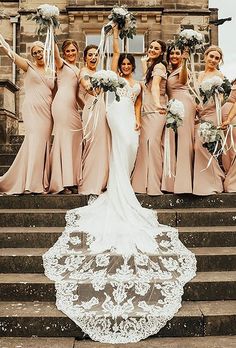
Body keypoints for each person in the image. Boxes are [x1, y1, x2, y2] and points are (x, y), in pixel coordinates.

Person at [43, 27, 196, 344]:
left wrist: (140, 119)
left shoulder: (140, 81)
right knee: (120, 147)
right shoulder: (112, 77)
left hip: (131, 117)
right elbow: (108, 61)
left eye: (128, 63)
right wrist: (107, 36)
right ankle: (116, 187)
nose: (125, 65)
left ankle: (124, 183)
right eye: (122, 63)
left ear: (133, 65)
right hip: (115, 115)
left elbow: (140, 103)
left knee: (130, 148)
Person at [0, 38, 54, 194]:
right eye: (34, 52)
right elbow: (12, 55)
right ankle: (31, 184)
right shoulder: (28, 66)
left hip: (47, 112)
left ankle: (38, 180)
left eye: (40, 51)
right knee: (34, 141)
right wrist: (3, 45)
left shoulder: (53, 71)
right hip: (32, 110)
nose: (38, 54)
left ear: (46, 51)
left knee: (42, 145)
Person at [132, 40, 168, 195]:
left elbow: (154, 86)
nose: (152, 49)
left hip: (156, 111)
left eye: (156, 48)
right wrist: (143, 64)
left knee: (153, 145)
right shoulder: (152, 67)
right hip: (146, 112)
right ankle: (142, 184)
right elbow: (147, 86)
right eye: (151, 47)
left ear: (161, 52)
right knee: (144, 146)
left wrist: (157, 104)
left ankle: (154, 184)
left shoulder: (160, 66)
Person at [49, 39, 83, 194]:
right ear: (63, 53)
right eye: (67, 51)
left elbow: (77, 95)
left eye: (73, 50)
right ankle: (61, 183)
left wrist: (89, 108)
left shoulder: (78, 69)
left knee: (75, 140)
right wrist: (51, 26)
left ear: (77, 51)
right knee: (63, 140)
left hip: (73, 108)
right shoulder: (61, 64)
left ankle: (72, 180)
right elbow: (55, 54)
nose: (70, 53)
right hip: (61, 105)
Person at [162, 45, 196, 193]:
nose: (174, 56)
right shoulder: (168, 71)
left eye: (177, 53)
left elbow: (183, 81)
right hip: (172, 105)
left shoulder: (184, 69)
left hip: (184, 104)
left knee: (183, 140)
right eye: (172, 53)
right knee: (172, 141)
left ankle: (184, 184)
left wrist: (185, 62)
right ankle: (172, 182)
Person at [193, 45, 225, 195]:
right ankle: (203, 183)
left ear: (219, 61)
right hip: (199, 116)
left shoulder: (219, 76)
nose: (213, 60)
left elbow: (220, 98)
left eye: (216, 58)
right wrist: (197, 106)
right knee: (198, 148)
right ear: (205, 57)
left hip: (211, 115)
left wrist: (205, 107)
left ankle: (216, 181)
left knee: (204, 147)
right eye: (211, 56)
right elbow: (197, 95)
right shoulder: (200, 75)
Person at [78, 44, 110, 195]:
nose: (93, 57)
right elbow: (85, 86)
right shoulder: (84, 72)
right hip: (91, 110)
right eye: (90, 55)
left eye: (95, 55)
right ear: (85, 58)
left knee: (102, 145)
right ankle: (90, 181)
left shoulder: (100, 73)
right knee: (91, 143)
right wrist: (94, 89)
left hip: (102, 109)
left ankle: (101, 180)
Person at [221, 93, 236, 192]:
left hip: (231, 116)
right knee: (228, 149)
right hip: (227, 116)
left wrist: (229, 118)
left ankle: (231, 182)